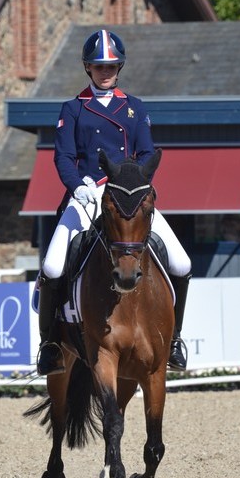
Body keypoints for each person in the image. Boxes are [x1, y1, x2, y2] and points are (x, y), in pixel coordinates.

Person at [37, 29, 192, 375]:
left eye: (110, 66)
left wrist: (133, 181)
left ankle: (175, 339)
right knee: (51, 267)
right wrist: (77, 186)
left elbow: (148, 151)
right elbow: (62, 156)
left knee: (181, 263)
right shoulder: (73, 108)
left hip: (127, 195)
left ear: (118, 67)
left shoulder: (134, 107)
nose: (104, 72)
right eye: (97, 66)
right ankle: (49, 344)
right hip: (88, 194)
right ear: (88, 69)